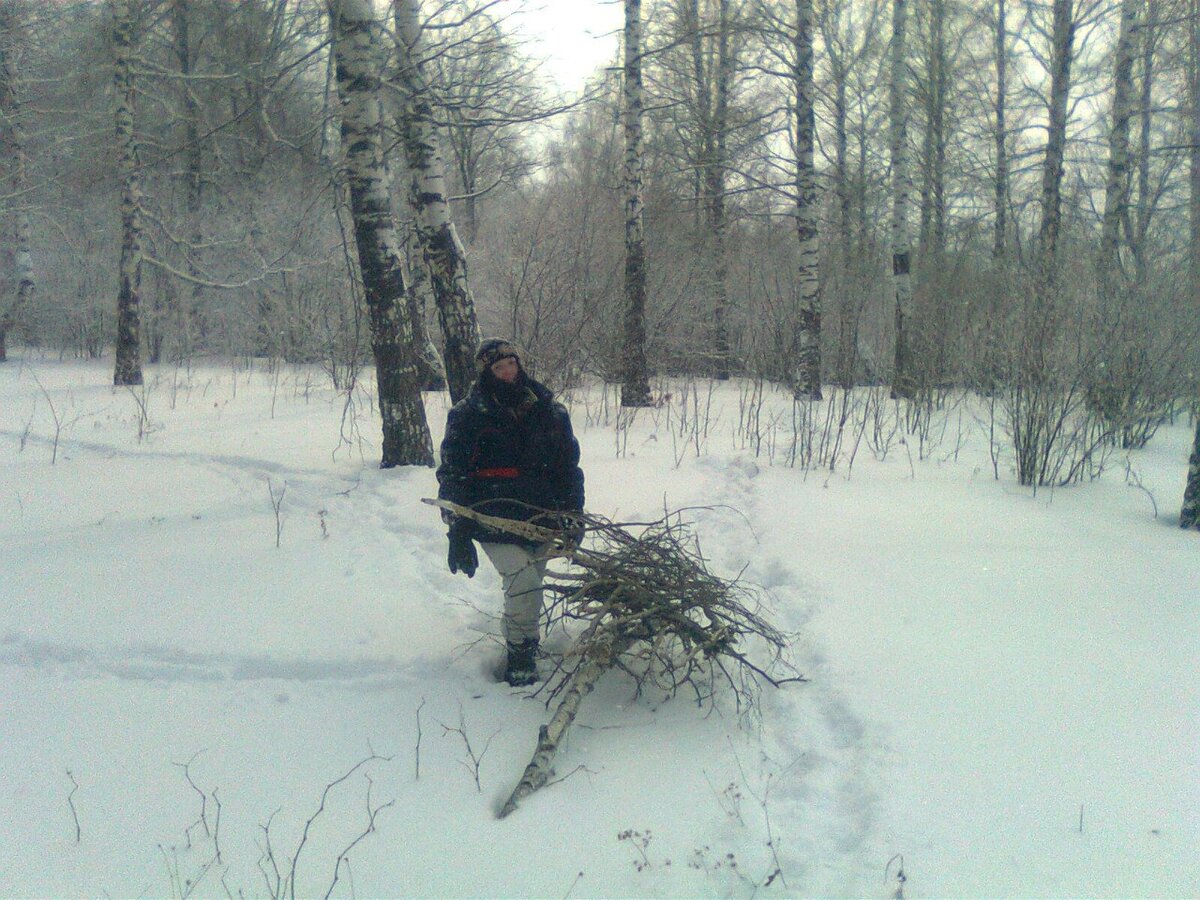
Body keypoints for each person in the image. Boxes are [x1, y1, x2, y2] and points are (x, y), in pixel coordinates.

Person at [436, 339, 585, 686]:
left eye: (511, 364)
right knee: (523, 584)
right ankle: (520, 655)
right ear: (486, 373)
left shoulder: (549, 409)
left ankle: (521, 639)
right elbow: (453, 472)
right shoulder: (468, 414)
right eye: (498, 368)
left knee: (530, 584)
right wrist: (457, 529)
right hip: (492, 516)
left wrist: (573, 512)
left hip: (541, 515)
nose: (507, 372)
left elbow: (568, 466)